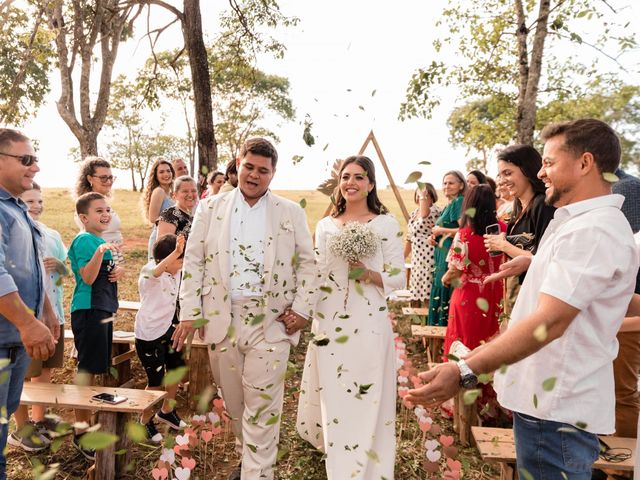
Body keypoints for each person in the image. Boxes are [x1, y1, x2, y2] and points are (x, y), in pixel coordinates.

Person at [406, 119, 639, 479]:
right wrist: (536, 261)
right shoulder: (583, 224)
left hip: (555, 411)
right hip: (547, 407)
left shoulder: (592, 231)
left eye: (548, 162)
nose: (541, 172)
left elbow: (549, 322)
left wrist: (464, 370)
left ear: (585, 163)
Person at [172, 137, 320, 480]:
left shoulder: (290, 212)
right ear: (238, 164)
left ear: (273, 174)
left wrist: (301, 310)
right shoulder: (210, 209)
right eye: (249, 167)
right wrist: (191, 311)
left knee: (263, 407)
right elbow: (193, 261)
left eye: (263, 171)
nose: (254, 175)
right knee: (236, 405)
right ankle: (247, 457)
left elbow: (308, 266)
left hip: (272, 321)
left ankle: (258, 472)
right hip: (222, 319)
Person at [296, 155, 404, 479]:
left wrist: (368, 273)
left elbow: (398, 278)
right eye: (346, 177)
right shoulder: (326, 225)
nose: (351, 183)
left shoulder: (385, 224)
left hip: (370, 318)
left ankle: (370, 465)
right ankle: (340, 463)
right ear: (338, 183)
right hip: (330, 318)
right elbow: (317, 271)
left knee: (369, 390)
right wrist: (301, 308)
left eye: (359, 177)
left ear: (371, 184)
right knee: (335, 390)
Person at [0, 128, 57, 478]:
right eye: (26, 160)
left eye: (34, 159)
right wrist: (26, 323)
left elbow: (32, 265)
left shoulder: (17, 208)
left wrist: (45, 312)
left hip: (15, 343)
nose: (34, 167)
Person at [10, 182, 67, 452]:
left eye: (40, 201)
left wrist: (60, 267)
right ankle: (21, 429)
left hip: (53, 311)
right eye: (30, 201)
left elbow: (66, 271)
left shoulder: (51, 234)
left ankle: (38, 420)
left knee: (45, 369)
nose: (36, 206)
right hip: (26, 315)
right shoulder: (15, 230)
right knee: (21, 373)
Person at [68, 192, 124, 461]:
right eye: (99, 210)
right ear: (83, 217)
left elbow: (106, 275)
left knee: (96, 367)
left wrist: (118, 272)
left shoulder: (100, 241)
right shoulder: (84, 240)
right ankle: (81, 433)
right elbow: (88, 278)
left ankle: (92, 425)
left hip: (103, 310)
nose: (105, 213)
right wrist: (101, 252)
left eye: (108, 209)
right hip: (88, 310)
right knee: (86, 370)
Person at [483, 145, 555, 317]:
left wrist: (504, 245)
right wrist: (501, 246)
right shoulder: (517, 208)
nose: (501, 181)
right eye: (500, 175)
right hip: (516, 295)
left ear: (528, 170)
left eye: (508, 173)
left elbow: (548, 260)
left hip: (537, 299)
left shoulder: (542, 205)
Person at [441, 184, 505, 358]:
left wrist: (444, 279)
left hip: (469, 294)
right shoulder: (504, 229)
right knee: (491, 339)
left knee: (465, 341)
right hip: (496, 291)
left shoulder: (464, 234)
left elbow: (454, 270)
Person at [135, 234, 187, 443]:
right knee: (155, 382)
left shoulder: (177, 272)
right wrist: (174, 253)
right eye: (179, 259)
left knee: (175, 371)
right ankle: (144, 420)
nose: (182, 263)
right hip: (149, 334)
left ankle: (167, 411)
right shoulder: (149, 270)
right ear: (166, 260)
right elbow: (156, 271)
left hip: (170, 329)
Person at [611, 168, 640, 439]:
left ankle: (618, 471)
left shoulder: (627, 190)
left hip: (626, 320)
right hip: (615, 312)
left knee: (622, 394)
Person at [427, 170, 466, 326]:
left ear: (461, 185)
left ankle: (445, 334)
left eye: (451, 183)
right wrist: (435, 238)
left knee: (445, 290)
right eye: (444, 183)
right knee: (439, 289)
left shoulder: (458, 202)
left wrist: (441, 231)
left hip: (449, 256)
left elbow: (465, 231)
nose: (446, 186)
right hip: (441, 255)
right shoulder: (448, 205)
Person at [74, 157, 124, 264]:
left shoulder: (103, 202)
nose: (109, 181)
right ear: (90, 179)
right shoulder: (86, 204)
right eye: (103, 178)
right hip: (99, 258)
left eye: (111, 177)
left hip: (111, 257)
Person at [404, 183, 441, 305]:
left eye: (425, 195)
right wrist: (401, 258)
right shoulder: (414, 213)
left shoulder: (434, 211)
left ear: (431, 196)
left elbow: (425, 215)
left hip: (429, 258)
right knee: (416, 295)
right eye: (419, 194)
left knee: (428, 295)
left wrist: (422, 195)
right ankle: (418, 322)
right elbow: (410, 238)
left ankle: (429, 320)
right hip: (417, 260)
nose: (422, 197)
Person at [143, 158, 175, 260]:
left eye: (168, 171)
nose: (166, 174)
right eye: (161, 172)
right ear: (156, 176)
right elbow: (152, 218)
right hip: (161, 239)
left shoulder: (171, 193)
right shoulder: (159, 192)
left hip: (172, 237)